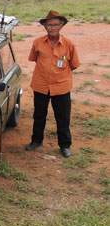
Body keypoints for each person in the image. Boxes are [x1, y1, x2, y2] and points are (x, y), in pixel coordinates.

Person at [26, 11, 80, 157]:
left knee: (62, 118)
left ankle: (65, 145)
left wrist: (57, 74)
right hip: (41, 86)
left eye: (55, 24)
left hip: (61, 87)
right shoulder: (37, 42)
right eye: (49, 24)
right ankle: (36, 140)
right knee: (39, 115)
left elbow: (74, 65)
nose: (52, 28)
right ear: (44, 26)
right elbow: (35, 59)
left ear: (61, 26)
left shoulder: (69, 44)